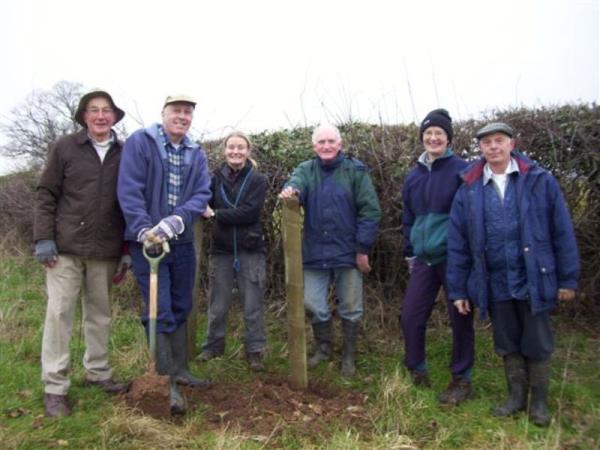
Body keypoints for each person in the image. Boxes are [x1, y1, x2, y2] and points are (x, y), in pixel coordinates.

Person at [447, 122, 579, 426]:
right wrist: (458, 290)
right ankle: (516, 399)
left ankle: (540, 405)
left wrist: (568, 279)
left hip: (533, 276)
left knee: (537, 341)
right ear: (480, 148)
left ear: (511, 144)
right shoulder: (468, 187)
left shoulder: (539, 181)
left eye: (499, 141)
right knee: (507, 341)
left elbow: (561, 231)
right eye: (487, 143)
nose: (493, 147)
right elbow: (457, 244)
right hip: (495, 280)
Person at [34, 89, 130, 418]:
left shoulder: (125, 152)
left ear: (115, 116)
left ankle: (98, 373)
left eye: (106, 110)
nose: (101, 116)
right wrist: (43, 238)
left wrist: (126, 247)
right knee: (59, 315)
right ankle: (55, 387)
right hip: (65, 249)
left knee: (100, 314)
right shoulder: (64, 148)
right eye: (93, 110)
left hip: (105, 248)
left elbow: (130, 202)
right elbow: (46, 193)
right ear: (83, 116)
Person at [117, 94, 212, 414]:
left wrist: (176, 221)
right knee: (161, 308)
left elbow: (202, 193)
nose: (182, 116)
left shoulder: (195, 152)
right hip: (147, 243)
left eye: (188, 112)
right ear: (164, 113)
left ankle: (181, 369)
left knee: (183, 304)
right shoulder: (141, 143)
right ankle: (164, 378)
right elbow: (129, 189)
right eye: (177, 111)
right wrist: (145, 229)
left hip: (181, 241)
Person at [279, 124, 381, 377]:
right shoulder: (306, 169)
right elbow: (296, 184)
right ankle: (324, 348)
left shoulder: (355, 171)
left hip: (348, 253)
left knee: (351, 306)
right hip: (315, 253)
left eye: (331, 141)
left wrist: (362, 248)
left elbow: (370, 211)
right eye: (321, 142)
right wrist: (291, 191)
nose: (326, 146)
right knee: (312, 303)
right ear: (314, 147)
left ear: (340, 144)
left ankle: (349, 355)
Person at [400, 109, 474, 405]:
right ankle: (416, 368)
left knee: (461, 317)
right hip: (423, 258)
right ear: (422, 138)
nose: (433, 138)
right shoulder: (413, 175)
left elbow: (470, 217)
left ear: (448, 139)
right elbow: (408, 216)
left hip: (454, 258)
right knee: (410, 316)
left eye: (439, 134)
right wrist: (409, 251)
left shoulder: (462, 170)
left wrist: (468, 257)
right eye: (428, 134)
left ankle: (462, 378)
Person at [198, 131, 268, 371]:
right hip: (222, 250)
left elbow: (251, 212)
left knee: (252, 304)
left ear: (248, 151)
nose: (236, 151)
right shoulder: (213, 178)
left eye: (241, 147)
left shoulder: (258, 180)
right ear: (225, 150)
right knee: (217, 304)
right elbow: (202, 200)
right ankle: (213, 346)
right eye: (231, 147)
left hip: (251, 249)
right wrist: (203, 207)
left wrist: (216, 214)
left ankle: (255, 350)